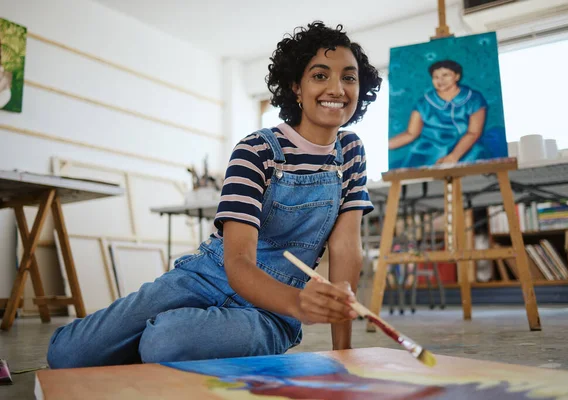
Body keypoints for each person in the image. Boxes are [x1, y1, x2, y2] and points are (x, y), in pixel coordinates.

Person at [46, 21, 381, 368]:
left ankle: (166, 344)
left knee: (165, 342)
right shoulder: (257, 150)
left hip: (269, 312)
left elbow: (345, 249)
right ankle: (164, 345)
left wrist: (343, 352)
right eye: (320, 75)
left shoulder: (351, 153)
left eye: (349, 77)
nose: (337, 88)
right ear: (296, 86)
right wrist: (300, 303)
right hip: (206, 278)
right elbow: (237, 264)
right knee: (68, 354)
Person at [388, 60, 488, 167]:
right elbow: (411, 134)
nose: (440, 80)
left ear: (457, 76)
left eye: (445, 75)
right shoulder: (424, 103)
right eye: (435, 77)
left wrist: (453, 156)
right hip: (429, 151)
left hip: (465, 148)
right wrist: (381, 147)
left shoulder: (474, 98)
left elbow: (473, 133)